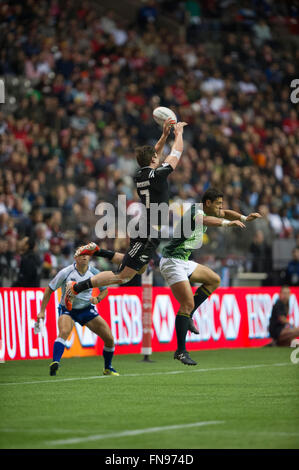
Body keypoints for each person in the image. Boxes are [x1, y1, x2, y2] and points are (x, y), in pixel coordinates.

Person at [64, 119, 187, 309]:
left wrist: (163, 136)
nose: (159, 157)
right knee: (123, 276)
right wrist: (178, 134)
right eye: (156, 156)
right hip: (148, 232)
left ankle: (98, 251)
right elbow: (175, 154)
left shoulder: (140, 175)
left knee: (141, 266)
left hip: (145, 227)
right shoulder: (156, 175)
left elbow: (155, 155)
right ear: (153, 160)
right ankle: (76, 287)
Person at [159, 188, 262, 365]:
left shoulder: (209, 210)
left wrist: (244, 218)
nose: (221, 207)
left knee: (214, 280)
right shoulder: (196, 212)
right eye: (218, 204)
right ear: (208, 203)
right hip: (172, 261)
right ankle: (181, 351)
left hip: (183, 261)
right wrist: (227, 224)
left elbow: (226, 213)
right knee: (187, 303)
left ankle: (188, 316)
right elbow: (205, 220)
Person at [36, 246, 124, 377]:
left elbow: (104, 290)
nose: (84, 257)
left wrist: (98, 298)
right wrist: (42, 311)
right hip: (68, 309)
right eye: (81, 254)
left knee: (109, 339)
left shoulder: (94, 272)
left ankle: (108, 368)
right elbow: (49, 289)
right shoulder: (66, 272)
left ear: (90, 257)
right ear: (75, 257)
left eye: (87, 254)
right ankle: (55, 363)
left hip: (86, 309)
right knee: (64, 332)